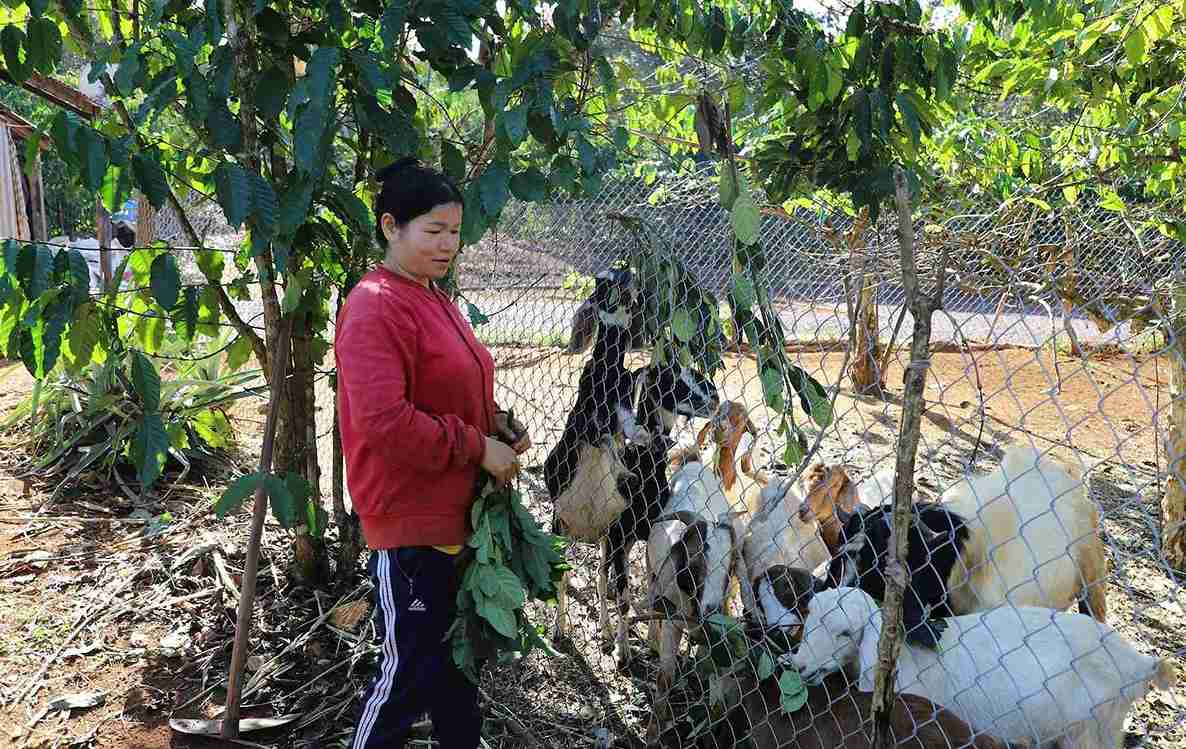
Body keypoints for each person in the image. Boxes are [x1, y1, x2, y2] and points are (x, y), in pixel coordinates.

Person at [335, 157, 530, 749]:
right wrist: (478, 447)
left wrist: (496, 424)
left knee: (455, 676)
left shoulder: (433, 296)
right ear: (392, 226)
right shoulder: (374, 305)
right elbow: (386, 423)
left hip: (454, 517)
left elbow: (447, 387)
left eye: (454, 231)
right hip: (411, 523)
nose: (448, 244)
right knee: (407, 675)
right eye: (434, 231)